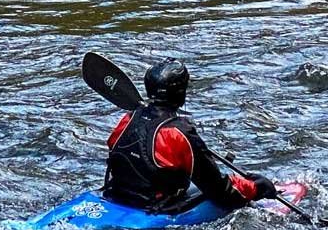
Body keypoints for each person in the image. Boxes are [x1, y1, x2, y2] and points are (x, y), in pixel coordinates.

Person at [103, 58, 278, 212]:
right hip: (153, 208)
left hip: (116, 196)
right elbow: (220, 192)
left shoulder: (128, 119)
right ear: (180, 93)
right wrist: (256, 188)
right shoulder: (179, 133)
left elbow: (114, 149)